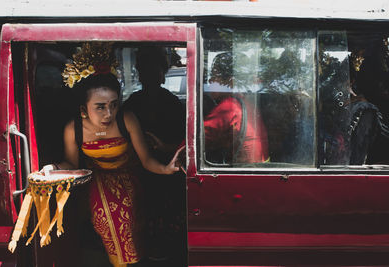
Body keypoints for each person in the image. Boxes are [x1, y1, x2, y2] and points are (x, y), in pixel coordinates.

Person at [41, 43, 183, 267]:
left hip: (130, 179)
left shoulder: (127, 119)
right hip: (97, 182)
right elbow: (72, 163)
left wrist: (166, 169)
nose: (109, 114)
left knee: (132, 223)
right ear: (82, 109)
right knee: (102, 216)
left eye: (114, 105)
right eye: (100, 107)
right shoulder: (73, 128)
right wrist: (54, 168)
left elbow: (146, 160)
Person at [123, 47, 186, 264]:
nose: (150, 75)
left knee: (166, 213)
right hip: (138, 167)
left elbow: (182, 138)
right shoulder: (132, 103)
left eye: (155, 70)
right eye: (145, 70)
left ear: (163, 73)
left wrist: (164, 147)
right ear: (140, 73)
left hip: (169, 164)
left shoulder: (172, 103)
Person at [203, 52, 269, 164]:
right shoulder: (246, 102)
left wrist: (168, 148)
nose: (210, 81)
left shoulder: (229, 107)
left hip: (244, 173)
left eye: (214, 76)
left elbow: (194, 142)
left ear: (230, 81)